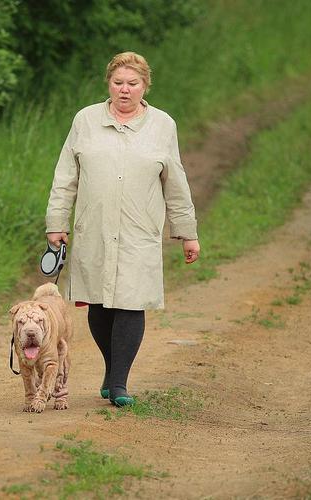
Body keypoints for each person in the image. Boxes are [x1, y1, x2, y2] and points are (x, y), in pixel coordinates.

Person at [45, 51, 200, 407]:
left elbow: (175, 181)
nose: (125, 90)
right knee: (99, 303)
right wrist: (57, 221)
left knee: (131, 302)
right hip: (93, 227)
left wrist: (187, 231)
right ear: (108, 84)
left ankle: (119, 383)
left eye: (133, 83)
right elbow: (65, 176)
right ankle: (111, 368)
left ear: (145, 85)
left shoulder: (163, 125)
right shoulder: (85, 120)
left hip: (139, 229)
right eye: (118, 83)